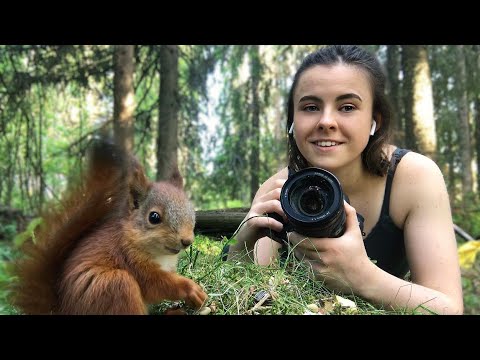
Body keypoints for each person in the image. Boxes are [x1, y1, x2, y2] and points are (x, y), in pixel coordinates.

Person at [226, 45, 463, 315]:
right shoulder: (278, 189)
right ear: (293, 121)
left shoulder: (413, 178)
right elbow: (247, 294)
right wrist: (241, 245)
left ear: (375, 120)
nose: (326, 121)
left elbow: (449, 308)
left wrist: (360, 275)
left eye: (347, 107)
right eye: (311, 107)